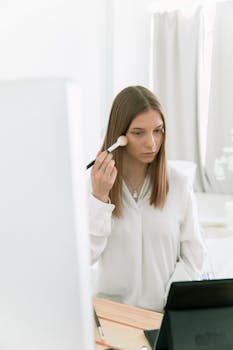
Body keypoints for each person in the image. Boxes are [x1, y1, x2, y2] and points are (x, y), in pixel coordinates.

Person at [88, 85, 206, 312]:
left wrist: (171, 301)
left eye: (158, 131)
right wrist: (100, 199)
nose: (151, 143)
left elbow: (193, 258)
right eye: (139, 132)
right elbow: (86, 258)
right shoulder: (94, 187)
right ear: (119, 136)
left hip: (160, 317)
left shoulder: (179, 185)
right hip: (110, 318)